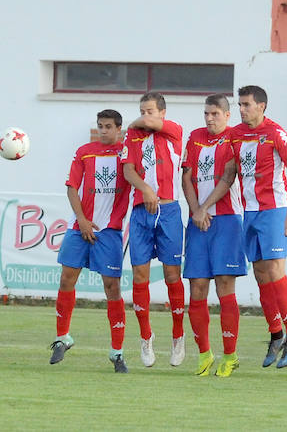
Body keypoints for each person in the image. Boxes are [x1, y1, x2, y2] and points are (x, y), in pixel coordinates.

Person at [49, 110, 131, 373]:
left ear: (119, 129)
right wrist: (82, 219)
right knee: (66, 279)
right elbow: (72, 187)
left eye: (109, 126)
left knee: (112, 288)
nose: (104, 131)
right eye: (100, 126)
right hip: (80, 226)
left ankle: (117, 353)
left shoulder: (126, 153)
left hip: (110, 231)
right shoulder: (85, 151)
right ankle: (62, 338)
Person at [230, 85, 287, 368]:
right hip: (249, 211)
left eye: (247, 104)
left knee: (275, 269)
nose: (242, 109)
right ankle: (275, 333)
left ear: (261, 106)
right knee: (261, 273)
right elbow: (230, 172)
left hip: (274, 210)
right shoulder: (236, 135)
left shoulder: (276, 134)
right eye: (240, 104)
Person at [181, 94, 246, 377]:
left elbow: (229, 176)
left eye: (215, 114)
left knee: (224, 285)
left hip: (227, 221)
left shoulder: (235, 137)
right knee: (197, 287)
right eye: (206, 113)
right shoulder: (194, 137)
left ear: (227, 115)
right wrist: (196, 210)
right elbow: (186, 177)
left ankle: (230, 356)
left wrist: (205, 208)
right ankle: (204, 355)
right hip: (198, 222)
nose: (209, 118)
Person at [120, 92, 186, 368]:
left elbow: (148, 124)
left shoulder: (173, 131)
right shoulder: (132, 137)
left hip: (169, 211)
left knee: (172, 274)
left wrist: (139, 121)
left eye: (150, 111)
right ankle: (146, 336)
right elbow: (128, 171)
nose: (145, 115)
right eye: (142, 110)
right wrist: (145, 188)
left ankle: (178, 334)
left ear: (162, 113)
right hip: (140, 213)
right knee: (139, 274)